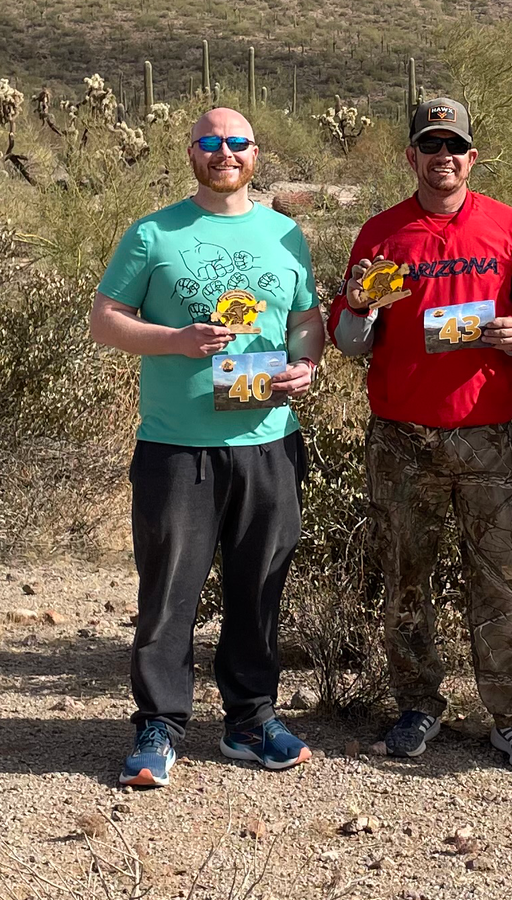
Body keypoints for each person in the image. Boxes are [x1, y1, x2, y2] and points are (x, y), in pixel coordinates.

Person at [91, 107, 324, 788]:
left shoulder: (284, 233)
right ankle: (159, 725)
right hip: (176, 446)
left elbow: (306, 318)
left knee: (259, 588)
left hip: (269, 441)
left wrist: (306, 365)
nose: (226, 152)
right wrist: (176, 340)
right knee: (169, 590)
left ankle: (251, 721)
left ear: (256, 153)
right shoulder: (154, 233)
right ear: (192, 152)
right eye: (212, 142)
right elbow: (105, 320)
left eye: (237, 142)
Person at [327, 98, 512, 772]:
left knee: (504, 577)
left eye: (454, 146)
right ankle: (417, 705)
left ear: (472, 157)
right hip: (401, 436)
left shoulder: (509, 227)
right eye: (430, 145)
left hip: (486, 434)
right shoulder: (382, 233)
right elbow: (349, 337)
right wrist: (358, 306)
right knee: (405, 576)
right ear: (412, 157)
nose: (443, 157)